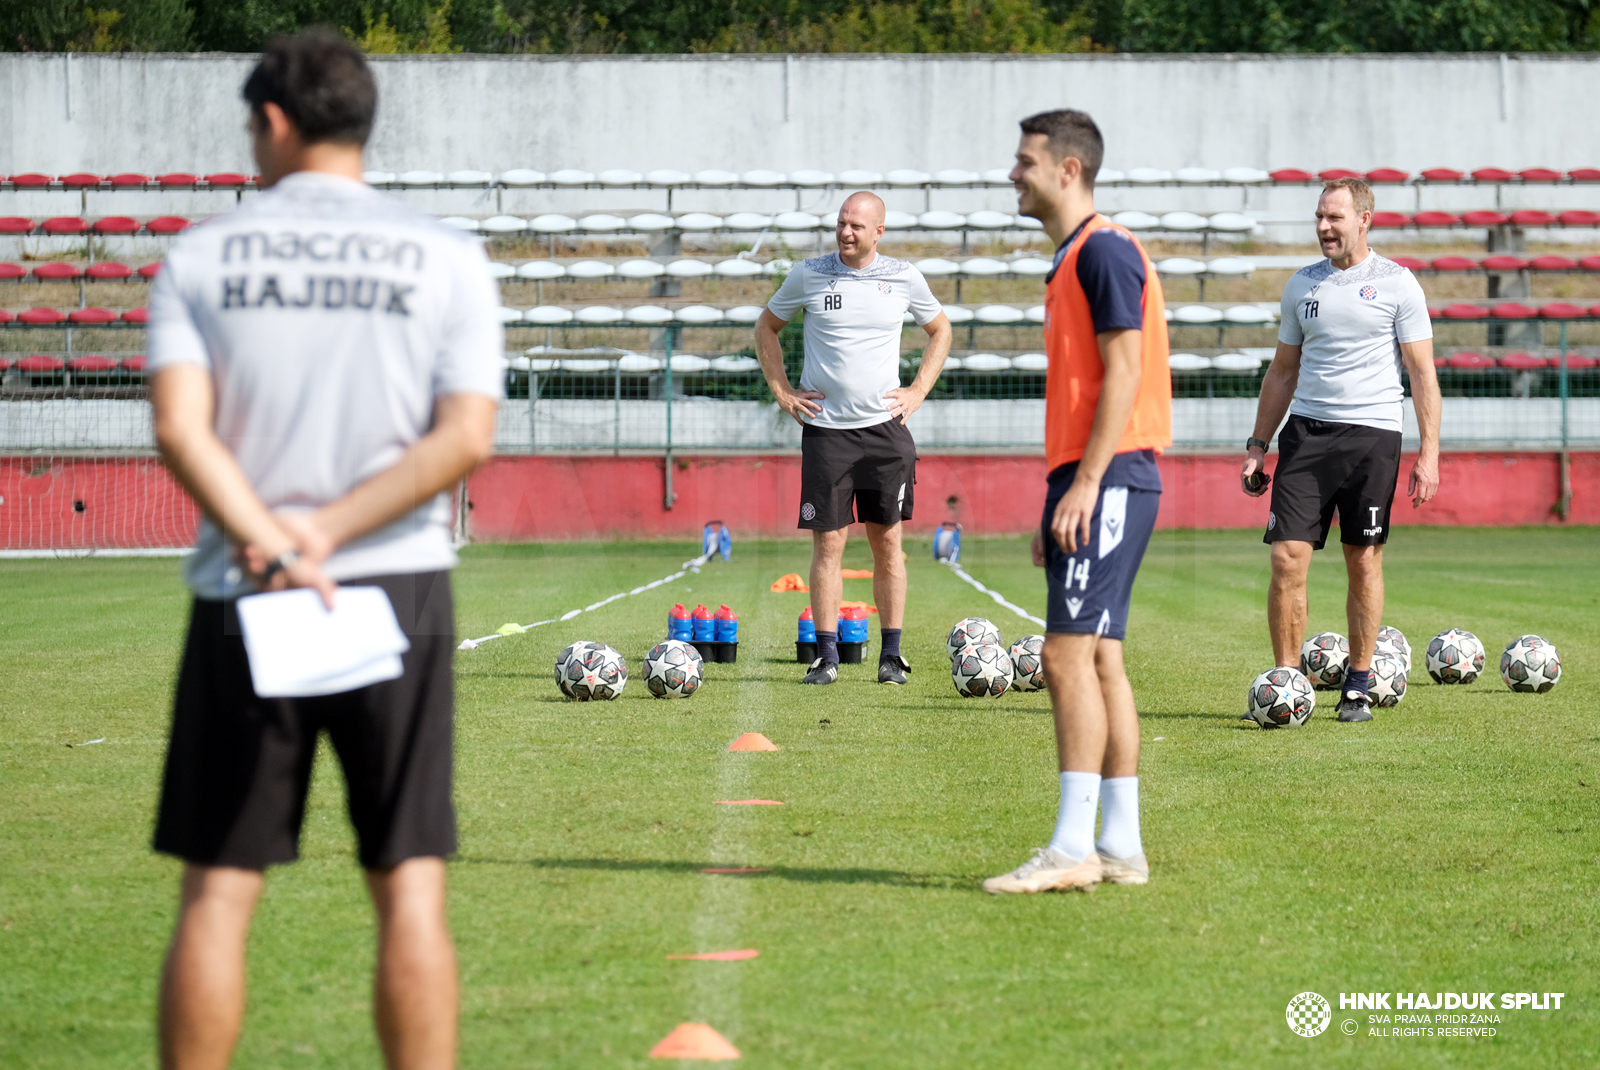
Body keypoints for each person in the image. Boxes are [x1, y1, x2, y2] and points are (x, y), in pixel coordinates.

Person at [147, 30, 502, 1070]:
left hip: (245, 587)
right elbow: (465, 436)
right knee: (409, 882)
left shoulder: (200, 254)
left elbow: (180, 427)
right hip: (399, 585)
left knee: (218, 885)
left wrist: (276, 539)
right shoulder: (447, 256)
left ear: (272, 120)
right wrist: (334, 533)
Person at [984, 109, 1171, 895]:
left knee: (1064, 656)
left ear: (1068, 169)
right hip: (1095, 475)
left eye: (1025, 161)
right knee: (1100, 658)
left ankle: (1072, 848)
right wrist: (1059, 491)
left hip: (1115, 473)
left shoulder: (1103, 251)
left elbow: (1124, 373)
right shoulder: (1072, 259)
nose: (1012, 174)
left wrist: (1087, 483)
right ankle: (1120, 845)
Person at [1241, 178, 1440, 723]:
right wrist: (1258, 446)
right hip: (1305, 436)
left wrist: (1430, 454)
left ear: (1364, 219)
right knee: (1286, 557)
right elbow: (1282, 370)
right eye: (1319, 217)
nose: (1324, 227)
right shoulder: (1302, 285)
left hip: (1373, 437)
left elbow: (1422, 374)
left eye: (1334, 217)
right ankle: (1287, 684)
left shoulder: (1399, 284)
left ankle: (1357, 683)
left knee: (1363, 559)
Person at [755, 191, 953, 686]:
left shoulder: (903, 277)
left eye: (857, 226)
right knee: (828, 546)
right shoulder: (808, 274)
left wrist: (917, 391)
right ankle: (826, 657)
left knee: (888, 543)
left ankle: (891, 656)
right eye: (841, 223)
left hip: (887, 433)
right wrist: (781, 390)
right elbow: (767, 327)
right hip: (826, 434)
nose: (846, 232)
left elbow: (941, 329)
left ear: (879, 232)